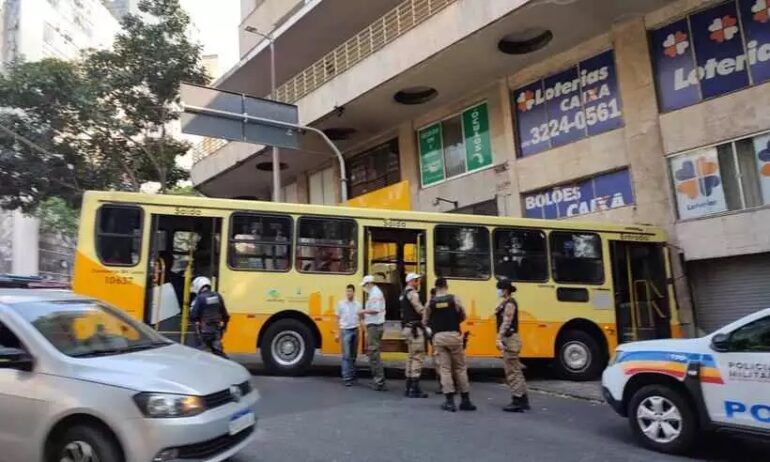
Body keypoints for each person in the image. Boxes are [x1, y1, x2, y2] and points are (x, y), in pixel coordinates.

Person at [424, 278, 476, 412]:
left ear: (436, 288)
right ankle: (465, 400)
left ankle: (449, 402)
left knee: (445, 369)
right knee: (460, 368)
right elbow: (463, 315)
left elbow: (425, 320)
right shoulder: (454, 299)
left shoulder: (431, 302)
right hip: (454, 336)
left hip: (439, 338)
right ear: (446, 286)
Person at [495, 278, 530, 412]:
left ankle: (517, 399)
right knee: (516, 370)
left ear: (505, 290)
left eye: (499, 289)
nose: (497, 291)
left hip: (510, 340)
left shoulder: (510, 304)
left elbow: (506, 322)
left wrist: (499, 337)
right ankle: (523, 398)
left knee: (511, 371)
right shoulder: (506, 303)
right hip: (511, 339)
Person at [400, 272, 428, 398]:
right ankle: (414, 388)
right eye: (416, 280)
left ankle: (408, 387)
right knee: (417, 357)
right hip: (415, 330)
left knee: (410, 357)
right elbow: (420, 310)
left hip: (407, 329)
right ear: (411, 281)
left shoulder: (403, 294)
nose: (418, 282)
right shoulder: (412, 293)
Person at [190, 276, 230, 359]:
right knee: (218, 352)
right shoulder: (218, 296)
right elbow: (225, 314)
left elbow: (193, 315)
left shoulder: (200, 298)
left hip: (204, 330)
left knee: (200, 352)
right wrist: (224, 325)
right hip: (216, 329)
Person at [361, 275, 387, 391]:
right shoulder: (375, 293)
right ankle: (379, 380)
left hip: (375, 326)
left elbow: (375, 310)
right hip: (375, 325)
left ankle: (379, 381)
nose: (364, 288)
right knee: (373, 352)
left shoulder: (375, 294)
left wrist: (362, 311)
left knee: (374, 353)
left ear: (369, 284)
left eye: (364, 285)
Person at [335, 284, 361, 387]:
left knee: (353, 355)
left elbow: (361, 318)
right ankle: (347, 378)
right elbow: (337, 318)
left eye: (350, 291)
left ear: (354, 292)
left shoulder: (358, 305)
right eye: (347, 291)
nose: (349, 293)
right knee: (346, 356)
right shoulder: (341, 304)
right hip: (345, 330)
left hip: (355, 329)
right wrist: (337, 333)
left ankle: (352, 374)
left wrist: (365, 331)